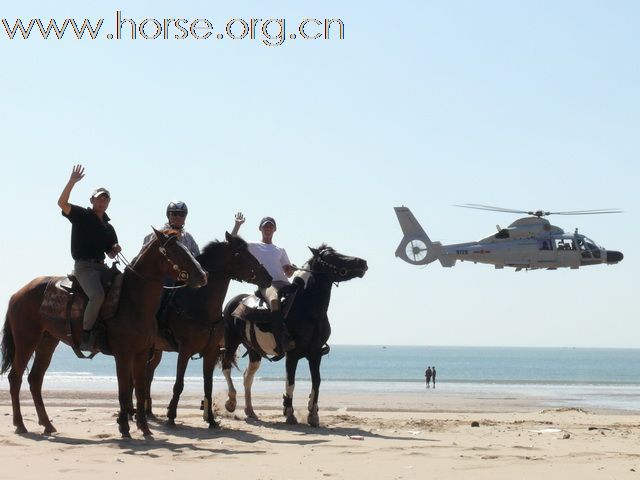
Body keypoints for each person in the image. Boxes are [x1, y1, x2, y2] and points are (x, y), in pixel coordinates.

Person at [58, 164, 121, 351]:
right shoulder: (82, 215)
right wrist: (72, 182)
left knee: (123, 287)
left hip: (101, 266)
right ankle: (86, 333)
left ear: (108, 202)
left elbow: (110, 253)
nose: (102, 202)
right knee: (97, 295)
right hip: (84, 267)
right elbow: (61, 203)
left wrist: (115, 248)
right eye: (99, 199)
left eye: (105, 199)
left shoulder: (109, 227)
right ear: (92, 200)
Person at [233, 212, 296, 352]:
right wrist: (237, 225)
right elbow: (232, 242)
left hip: (284, 283)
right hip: (267, 284)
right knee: (274, 300)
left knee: (303, 295)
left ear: (275, 230)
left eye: (271, 226)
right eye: (265, 226)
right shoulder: (253, 246)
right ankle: (280, 334)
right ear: (260, 229)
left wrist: (291, 269)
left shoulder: (280, 250)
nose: (268, 229)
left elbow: (289, 273)